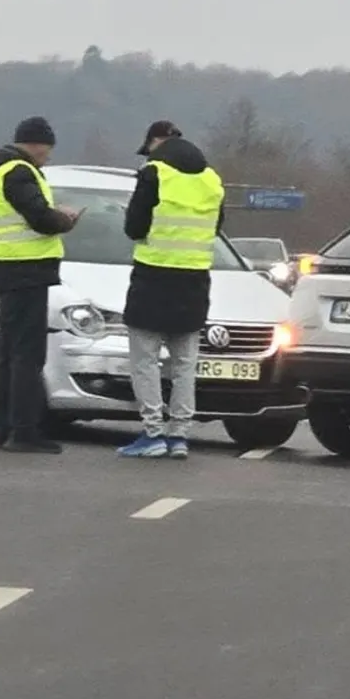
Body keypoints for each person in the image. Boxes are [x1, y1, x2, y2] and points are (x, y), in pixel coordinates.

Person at [117, 120, 226, 460]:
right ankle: (179, 435)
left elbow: (134, 226)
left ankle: (153, 433)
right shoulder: (211, 179)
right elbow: (217, 226)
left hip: (154, 276)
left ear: (155, 142)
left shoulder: (154, 173)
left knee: (145, 360)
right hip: (194, 280)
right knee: (184, 363)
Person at [0, 117, 82, 454]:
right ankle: (24, 431)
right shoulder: (19, 171)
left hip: (8, 268)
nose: (48, 157)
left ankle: (2, 427)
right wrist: (64, 220)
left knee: (8, 353)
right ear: (37, 143)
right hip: (25, 271)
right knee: (27, 354)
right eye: (48, 149)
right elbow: (38, 217)